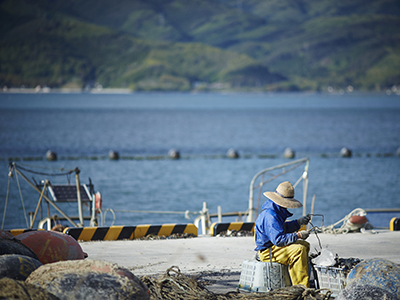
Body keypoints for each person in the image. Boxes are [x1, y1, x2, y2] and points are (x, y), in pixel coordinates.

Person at [254, 181, 311, 287]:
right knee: (299, 250)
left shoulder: (275, 210)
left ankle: (296, 276)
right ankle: (301, 287)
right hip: (268, 252)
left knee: (305, 245)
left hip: (273, 247)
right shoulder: (271, 216)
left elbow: (282, 228)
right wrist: (298, 235)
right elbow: (279, 240)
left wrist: (298, 222)